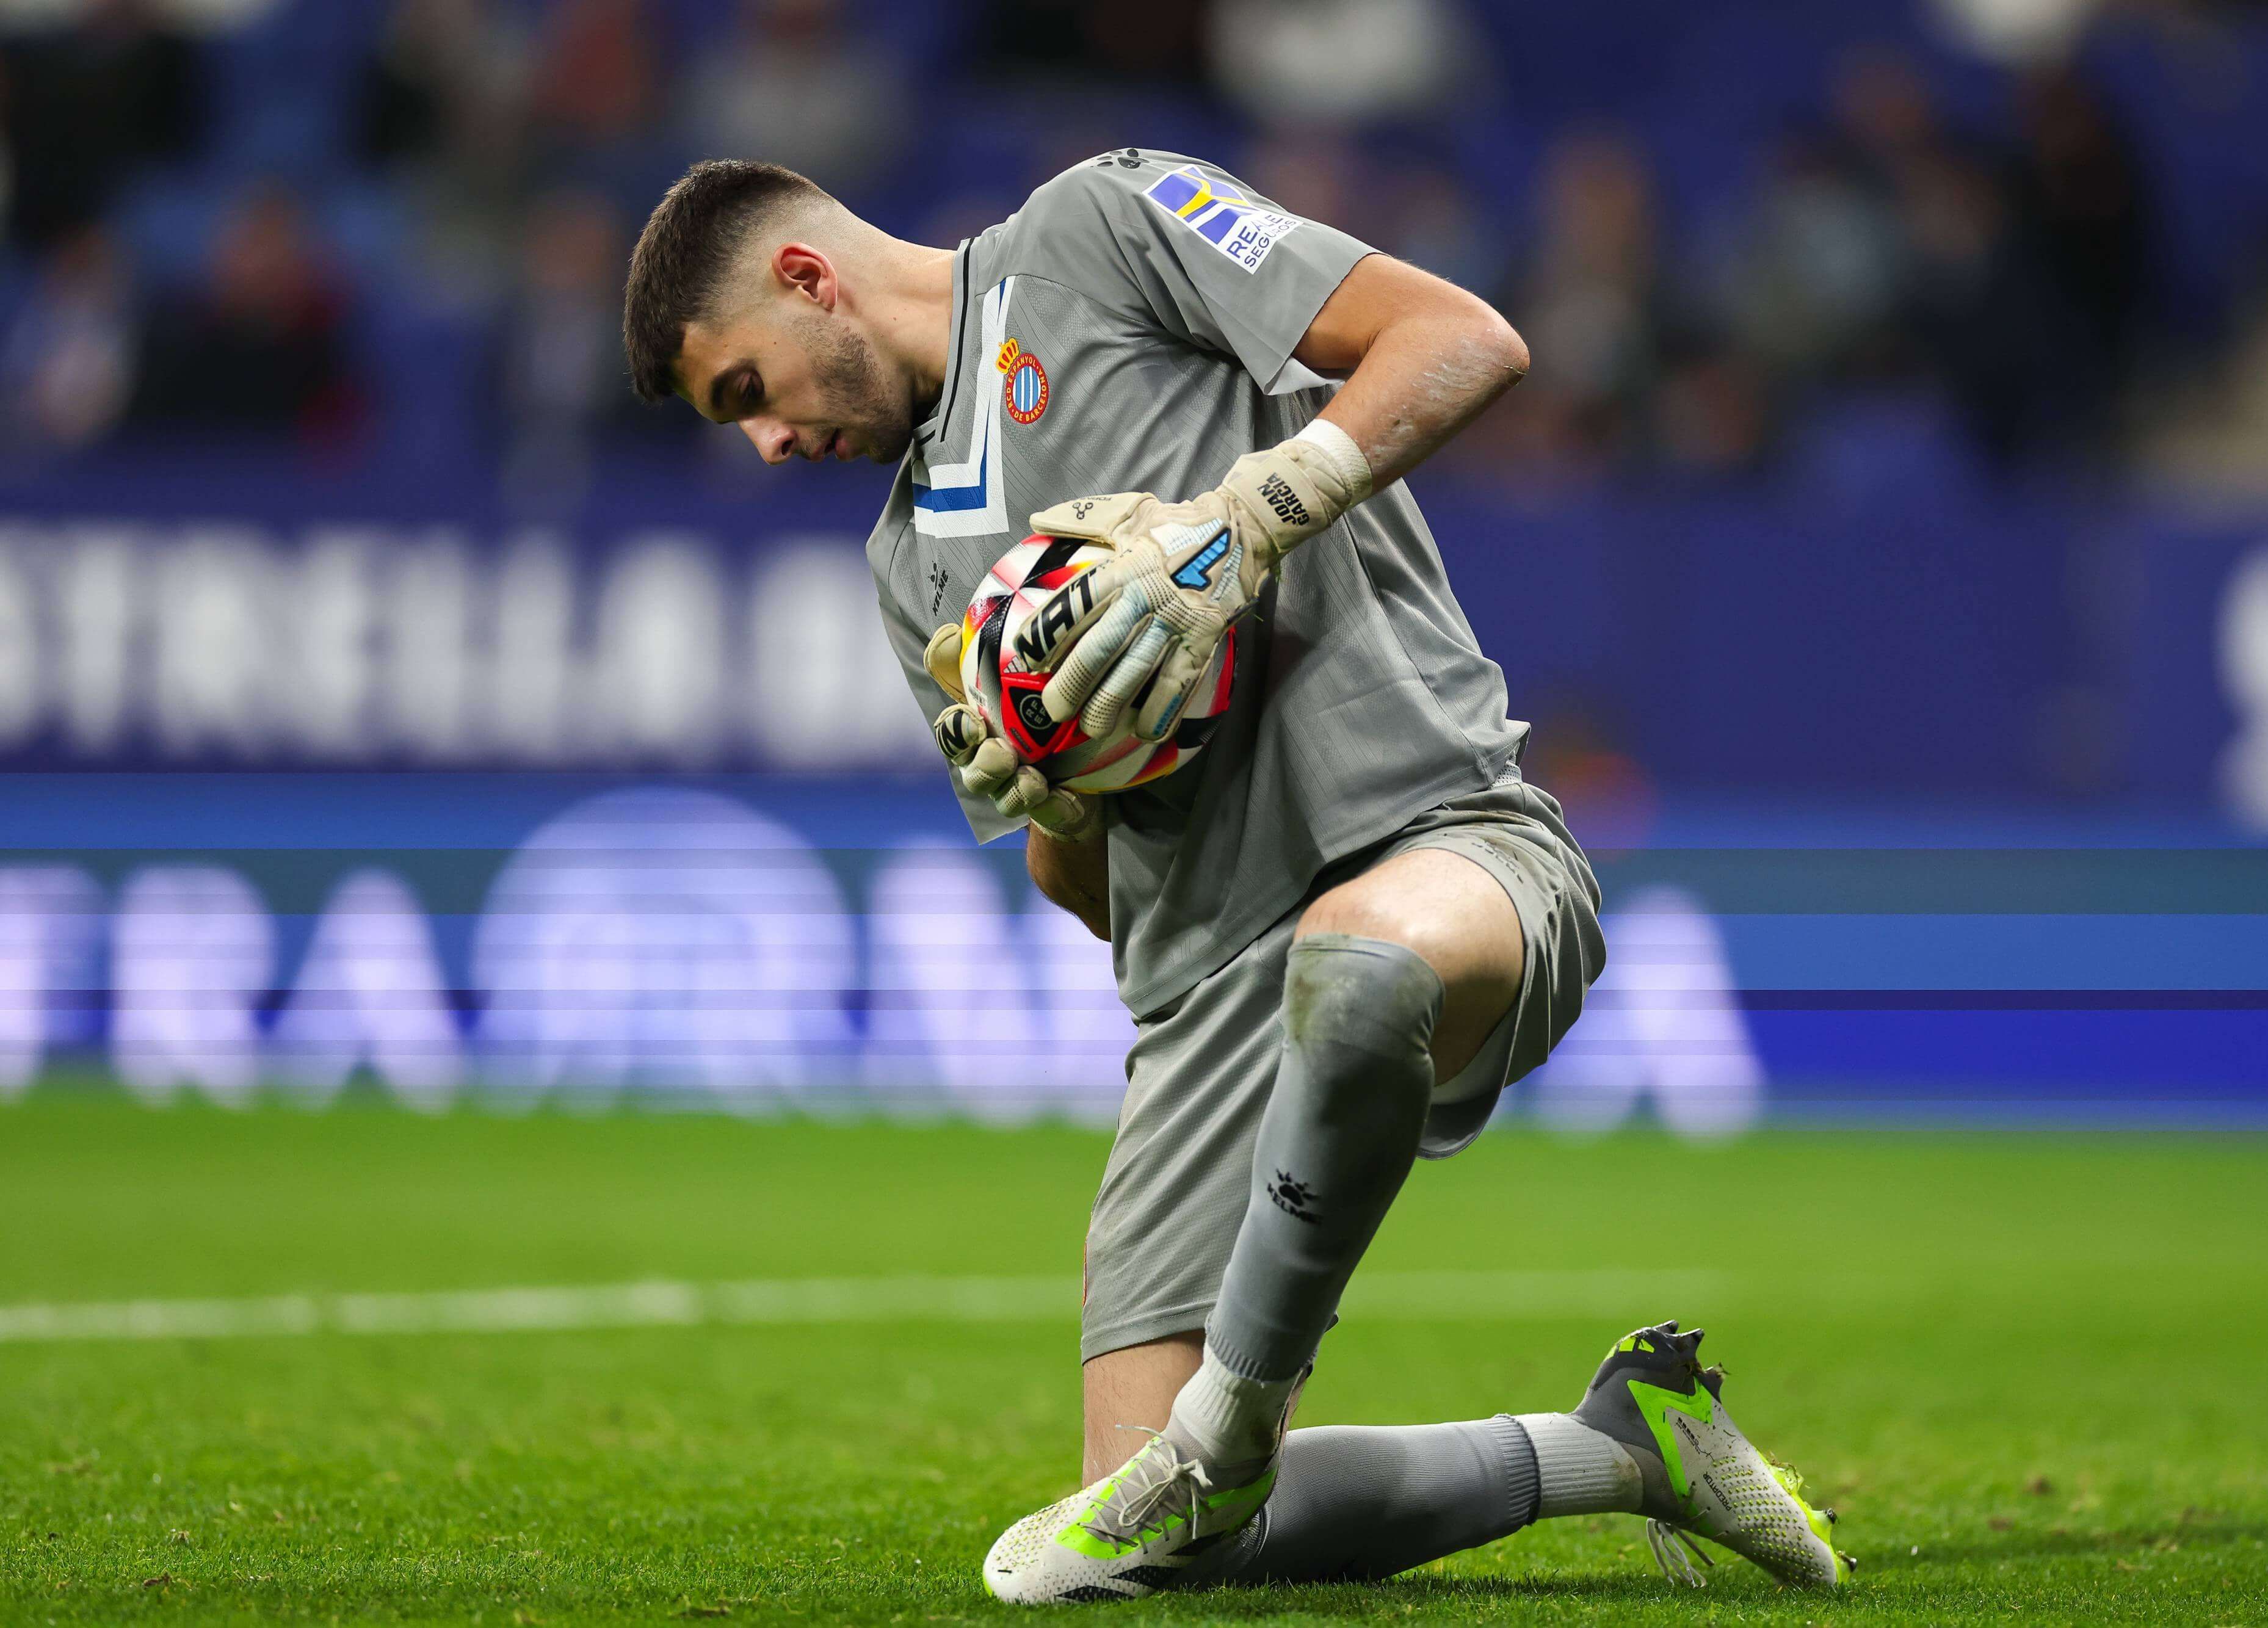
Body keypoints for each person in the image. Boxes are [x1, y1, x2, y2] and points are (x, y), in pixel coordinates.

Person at [620, 151, 1853, 1603]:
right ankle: (1620, 1446)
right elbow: (1088, 893)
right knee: (1143, 1555)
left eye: (745, 392)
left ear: (806, 279)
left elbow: (1462, 340)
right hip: (1206, 1002)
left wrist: (1243, 520)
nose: (767, 443)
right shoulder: (913, 574)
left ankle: (1226, 1423)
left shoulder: (1096, 229)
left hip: (1443, 846)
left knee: (1360, 968)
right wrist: (1061, 786)